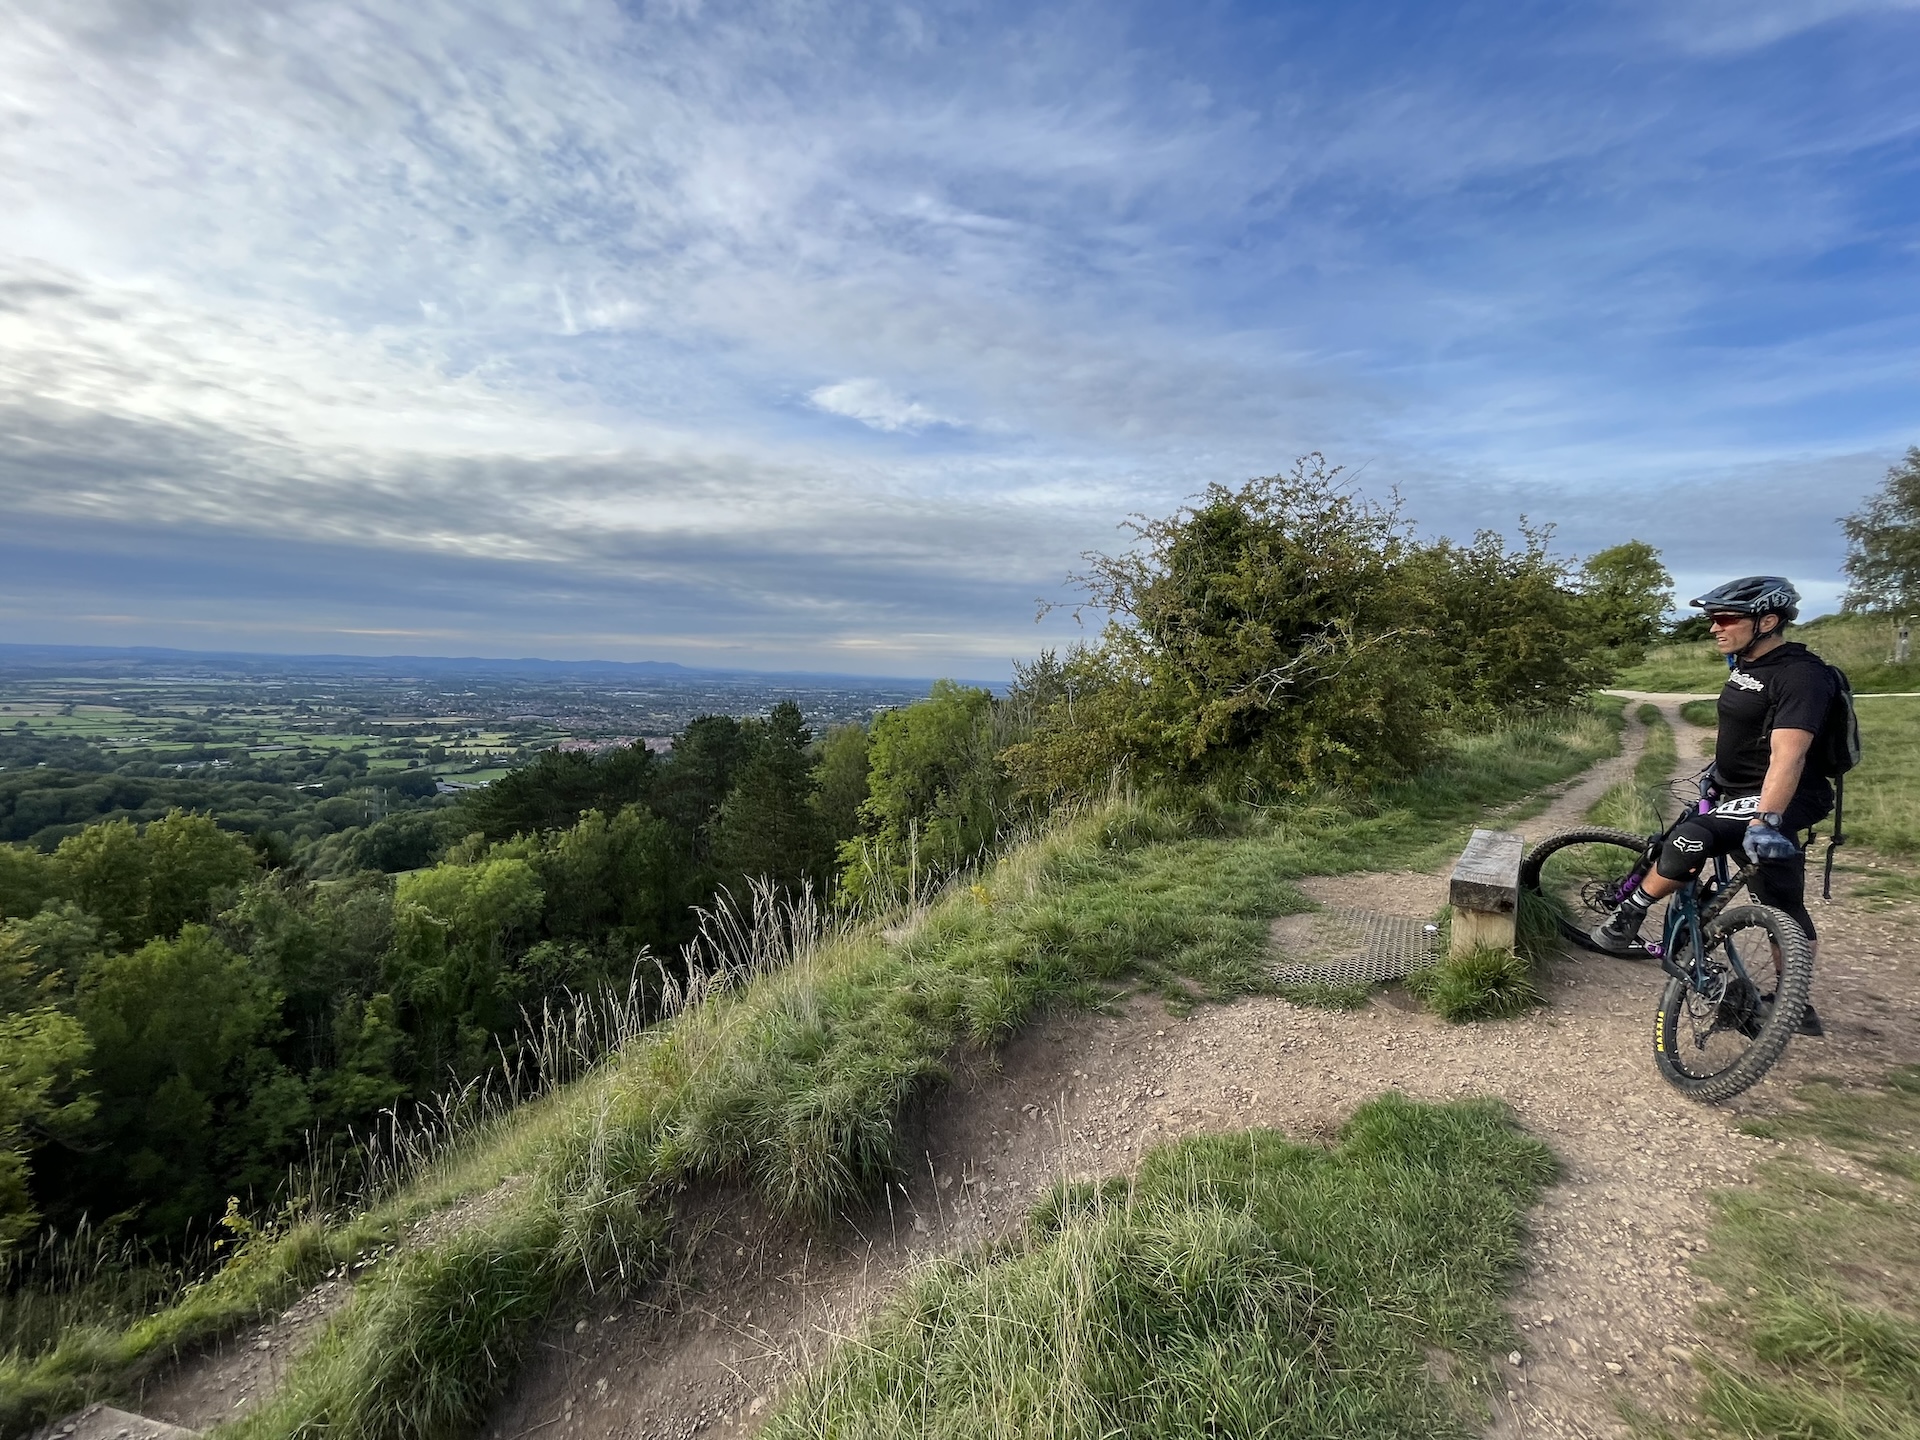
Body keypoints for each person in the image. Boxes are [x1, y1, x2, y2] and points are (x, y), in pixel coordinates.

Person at [1588, 576, 1832, 1036]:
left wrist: (1765, 821)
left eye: (1725, 619)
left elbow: (1789, 756)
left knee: (1690, 837)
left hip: (1780, 795)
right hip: (1733, 788)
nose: (1714, 628)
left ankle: (1627, 917)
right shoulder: (1746, 661)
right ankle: (1796, 1005)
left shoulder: (1800, 675)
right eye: (1711, 619)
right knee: (1780, 895)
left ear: (1768, 621)